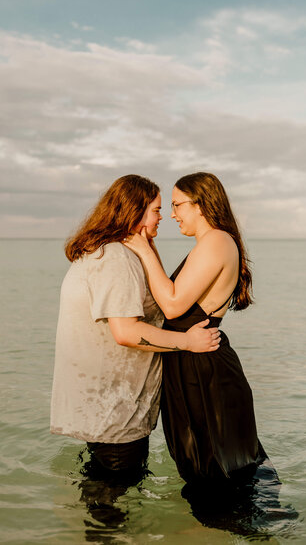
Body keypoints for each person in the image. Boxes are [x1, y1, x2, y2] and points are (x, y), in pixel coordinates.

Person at [50, 174, 220, 481]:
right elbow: (126, 332)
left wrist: (147, 248)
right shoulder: (118, 259)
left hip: (103, 408)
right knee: (112, 511)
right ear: (134, 212)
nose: (162, 217)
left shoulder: (102, 250)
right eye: (155, 210)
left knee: (105, 501)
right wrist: (187, 341)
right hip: (115, 414)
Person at [124, 171, 267, 485]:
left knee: (213, 467)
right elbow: (172, 297)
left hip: (204, 368)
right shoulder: (212, 242)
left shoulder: (216, 241)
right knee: (211, 465)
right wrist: (147, 245)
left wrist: (144, 249)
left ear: (200, 205)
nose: (173, 214)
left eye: (177, 205)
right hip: (195, 362)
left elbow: (172, 305)